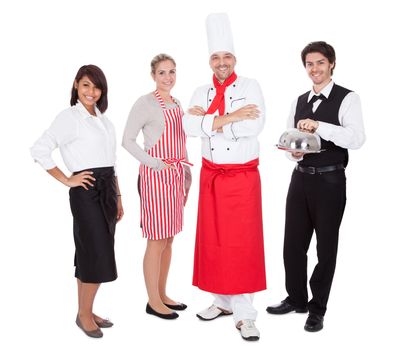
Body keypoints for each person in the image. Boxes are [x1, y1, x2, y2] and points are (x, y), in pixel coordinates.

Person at [266, 41, 366, 332]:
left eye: (320, 63)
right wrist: (293, 153)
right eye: (309, 64)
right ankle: (296, 298)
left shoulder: (349, 98)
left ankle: (317, 308)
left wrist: (319, 126)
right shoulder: (299, 100)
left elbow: (356, 139)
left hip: (330, 180)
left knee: (326, 247)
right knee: (292, 244)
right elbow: (288, 138)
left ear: (331, 64)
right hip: (300, 177)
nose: (315, 69)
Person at [183, 13, 266, 341]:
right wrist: (229, 117)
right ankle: (221, 301)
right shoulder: (200, 91)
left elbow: (253, 126)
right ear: (209, 61)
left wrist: (211, 123)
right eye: (216, 57)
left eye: (226, 57)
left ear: (235, 59)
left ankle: (245, 314)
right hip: (211, 177)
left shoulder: (251, 86)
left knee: (241, 245)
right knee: (214, 242)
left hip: (242, 179)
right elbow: (188, 127)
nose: (221, 62)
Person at [30, 65, 124, 338]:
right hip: (87, 192)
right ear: (75, 85)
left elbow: (112, 162)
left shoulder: (104, 121)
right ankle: (84, 315)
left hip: (107, 189)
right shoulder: (69, 117)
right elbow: (39, 149)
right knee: (97, 252)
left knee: (88, 253)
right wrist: (67, 179)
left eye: (96, 87)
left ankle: (86, 309)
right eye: (85, 85)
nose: (91, 92)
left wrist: (118, 197)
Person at [122, 53, 192, 320]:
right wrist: (154, 163)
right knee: (156, 239)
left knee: (170, 238)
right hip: (155, 176)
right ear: (153, 75)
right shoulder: (145, 103)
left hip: (175, 176)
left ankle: (163, 294)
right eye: (162, 73)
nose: (168, 77)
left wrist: (185, 171)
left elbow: (180, 140)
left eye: (172, 71)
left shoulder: (177, 103)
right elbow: (128, 140)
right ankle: (153, 301)